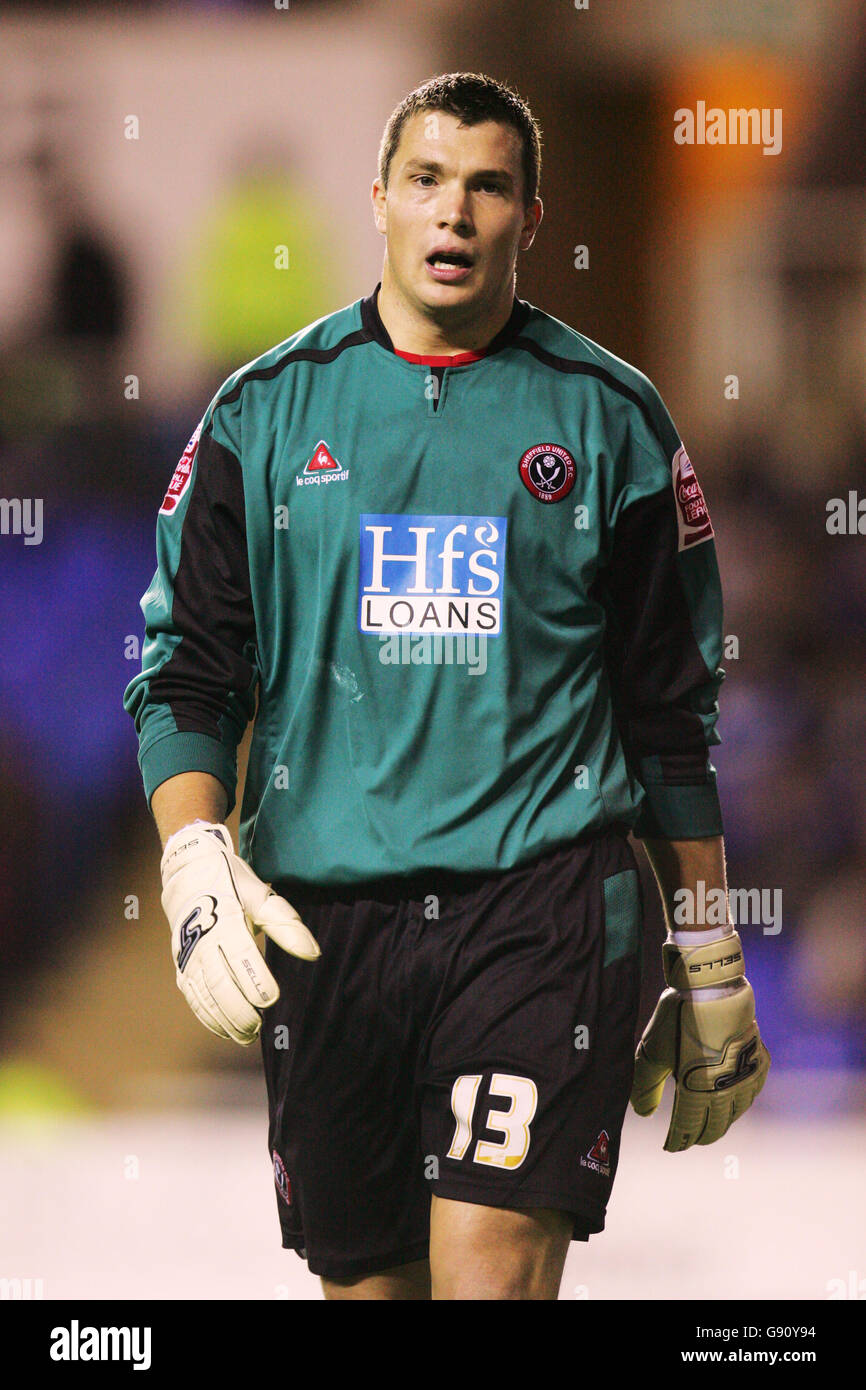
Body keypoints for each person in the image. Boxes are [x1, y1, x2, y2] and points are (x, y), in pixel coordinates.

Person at [124, 72, 769, 1301]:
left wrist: (707, 951)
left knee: (485, 1284)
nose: (453, 214)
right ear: (377, 200)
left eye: (487, 187)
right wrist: (194, 861)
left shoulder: (610, 421)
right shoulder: (261, 417)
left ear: (530, 216)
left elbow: (668, 726)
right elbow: (186, 678)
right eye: (426, 182)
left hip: (539, 916)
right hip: (326, 925)